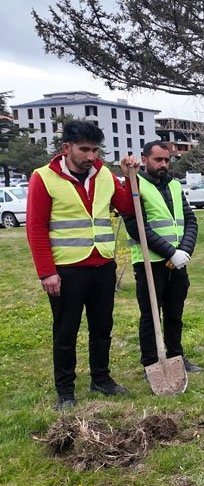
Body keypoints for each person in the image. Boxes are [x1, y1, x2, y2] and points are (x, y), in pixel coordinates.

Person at [26, 120, 137, 411]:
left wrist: (129, 178)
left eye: (95, 150)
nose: (91, 156)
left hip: (103, 266)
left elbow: (125, 207)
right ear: (67, 148)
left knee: (102, 327)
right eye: (84, 150)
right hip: (67, 270)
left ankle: (101, 378)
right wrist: (47, 272)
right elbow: (36, 228)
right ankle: (65, 391)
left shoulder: (104, 175)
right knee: (66, 332)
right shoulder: (43, 178)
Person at [124, 140, 202, 379]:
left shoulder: (175, 186)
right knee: (150, 315)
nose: (163, 164)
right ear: (145, 159)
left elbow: (190, 221)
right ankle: (151, 363)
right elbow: (137, 227)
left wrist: (183, 252)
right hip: (150, 262)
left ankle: (176, 356)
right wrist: (170, 252)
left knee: (174, 313)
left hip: (177, 261)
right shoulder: (135, 186)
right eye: (158, 159)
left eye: (167, 160)